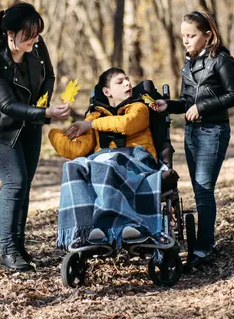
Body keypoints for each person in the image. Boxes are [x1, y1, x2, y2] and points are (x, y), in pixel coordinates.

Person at [0, 2, 70, 272]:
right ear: (10, 34)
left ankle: (19, 245)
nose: (35, 39)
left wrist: (43, 105)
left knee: (25, 184)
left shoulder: (37, 47)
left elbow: (49, 76)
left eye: (37, 34)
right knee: (14, 182)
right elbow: (6, 105)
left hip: (31, 122)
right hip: (0, 126)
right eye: (29, 35)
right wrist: (44, 112)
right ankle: (7, 250)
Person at [151, 10, 234, 271]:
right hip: (192, 133)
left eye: (191, 36)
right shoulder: (188, 64)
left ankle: (203, 249)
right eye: (183, 37)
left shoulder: (222, 60)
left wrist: (202, 107)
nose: (186, 41)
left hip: (213, 131)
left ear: (208, 35)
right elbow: (187, 103)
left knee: (203, 189)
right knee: (199, 189)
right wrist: (167, 105)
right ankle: (203, 244)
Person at [49, 68, 162, 248]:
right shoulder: (94, 116)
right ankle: (83, 229)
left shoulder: (139, 107)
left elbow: (126, 124)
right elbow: (76, 150)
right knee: (74, 166)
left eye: (127, 80)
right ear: (106, 91)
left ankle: (120, 223)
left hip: (137, 160)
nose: (127, 83)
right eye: (120, 81)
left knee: (108, 162)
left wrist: (90, 124)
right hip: (103, 161)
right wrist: (55, 132)